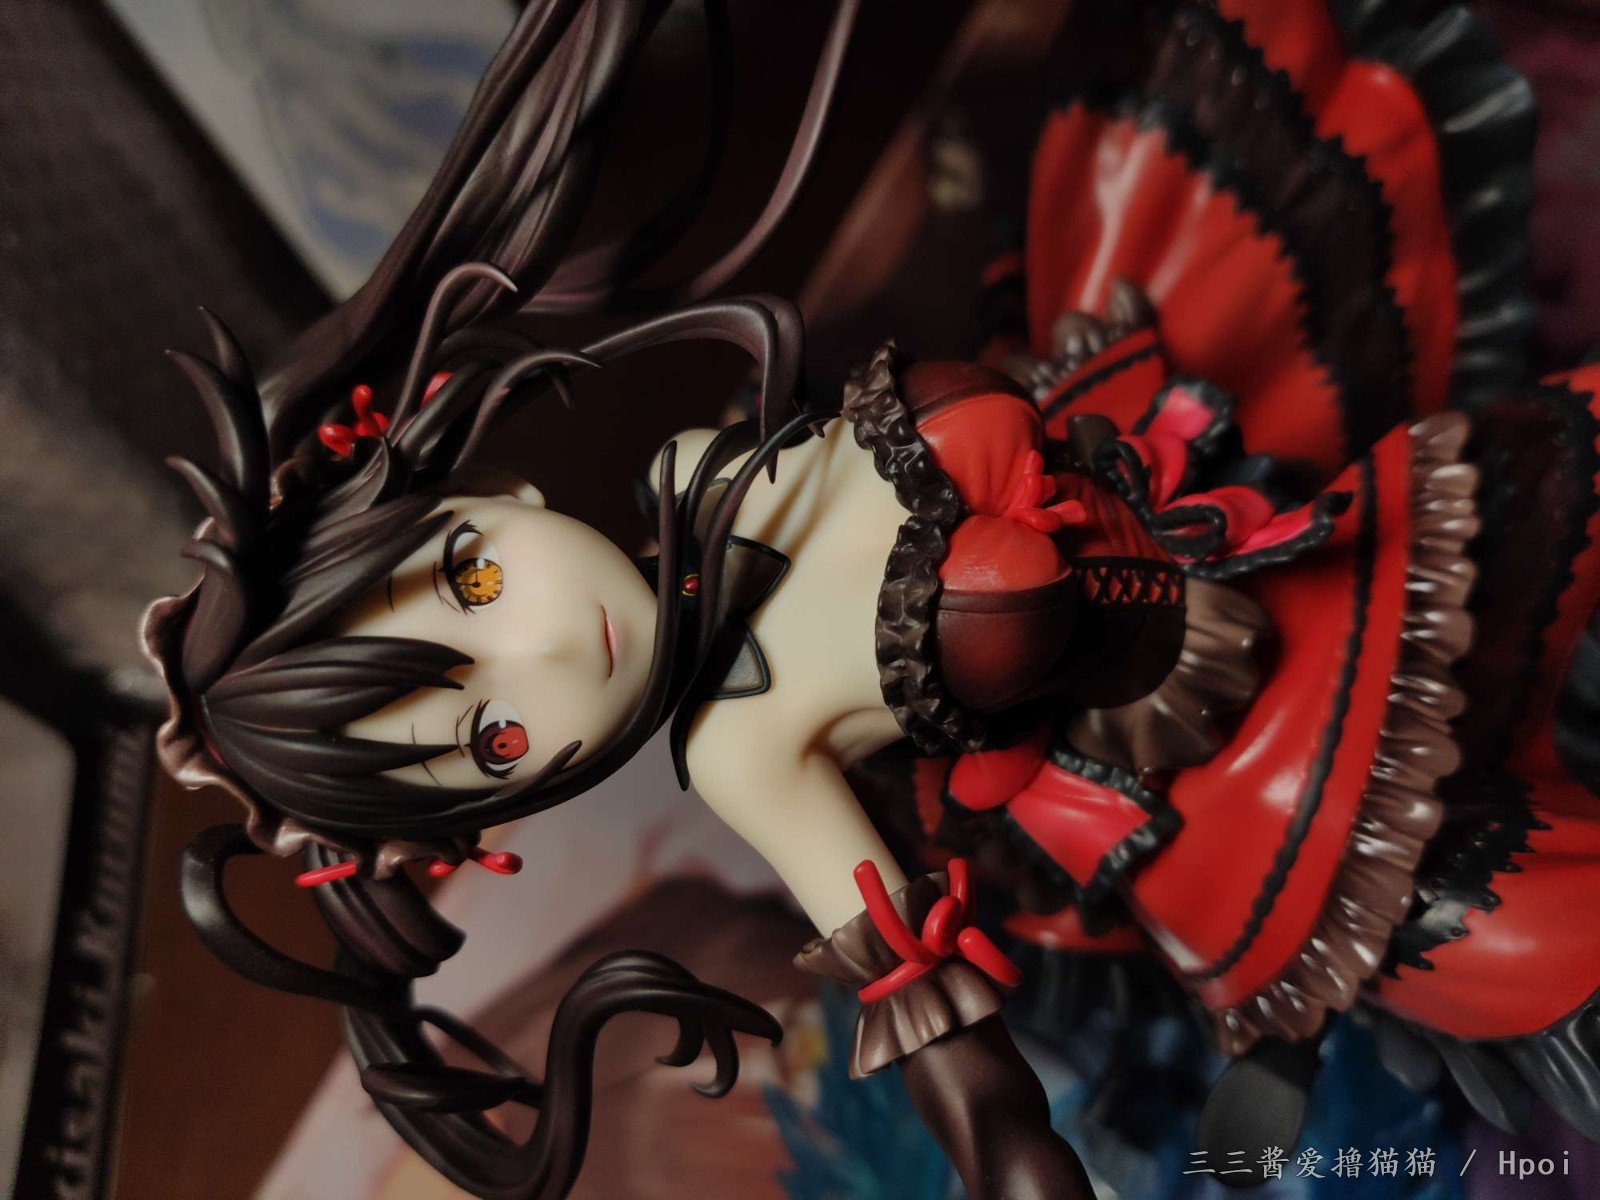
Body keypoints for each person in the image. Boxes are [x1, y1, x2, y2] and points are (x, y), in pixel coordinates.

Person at [149, 0, 1600, 1196]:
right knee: (1516, 930)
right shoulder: (743, 751)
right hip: (1210, 753)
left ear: (496, 497)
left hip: (1174, 467)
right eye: (496, 737)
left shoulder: (702, 463)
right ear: (501, 823)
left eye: (471, 579)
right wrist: (1014, 1164)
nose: (547, 649)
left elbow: (938, 429)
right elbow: (925, 1007)